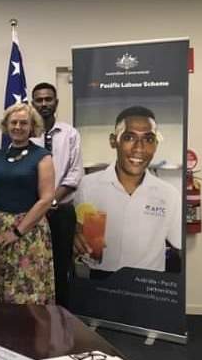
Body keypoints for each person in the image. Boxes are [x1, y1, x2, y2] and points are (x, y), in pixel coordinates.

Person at [73, 106, 181, 274]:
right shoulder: (87, 186)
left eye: (149, 139)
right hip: (100, 282)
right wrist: (75, 238)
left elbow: (179, 246)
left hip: (147, 286)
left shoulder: (169, 195)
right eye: (130, 137)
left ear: (156, 145)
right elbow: (78, 234)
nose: (139, 148)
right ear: (113, 140)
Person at [0, 102, 56, 304]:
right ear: (6, 125)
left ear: (32, 127)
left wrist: (17, 232)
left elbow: (46, 198)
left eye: (24, 123)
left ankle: (27, 335)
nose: (18, 127)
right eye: (14, 122)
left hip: (29, 235)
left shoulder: (43, 157)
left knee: (25, 295)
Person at [30, 83, 83, 308]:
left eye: (48, 99)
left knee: (61, 266)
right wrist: (39, 205)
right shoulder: (26, 134)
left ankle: (61, 318)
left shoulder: (70, 134)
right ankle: (36, 316)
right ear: (32, 104)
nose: (44, 104)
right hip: (32, 213)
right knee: (33, 265)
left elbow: (74, 174)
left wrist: (51, 200)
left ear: (56, 103)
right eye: (39, 100)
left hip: (61, 212)